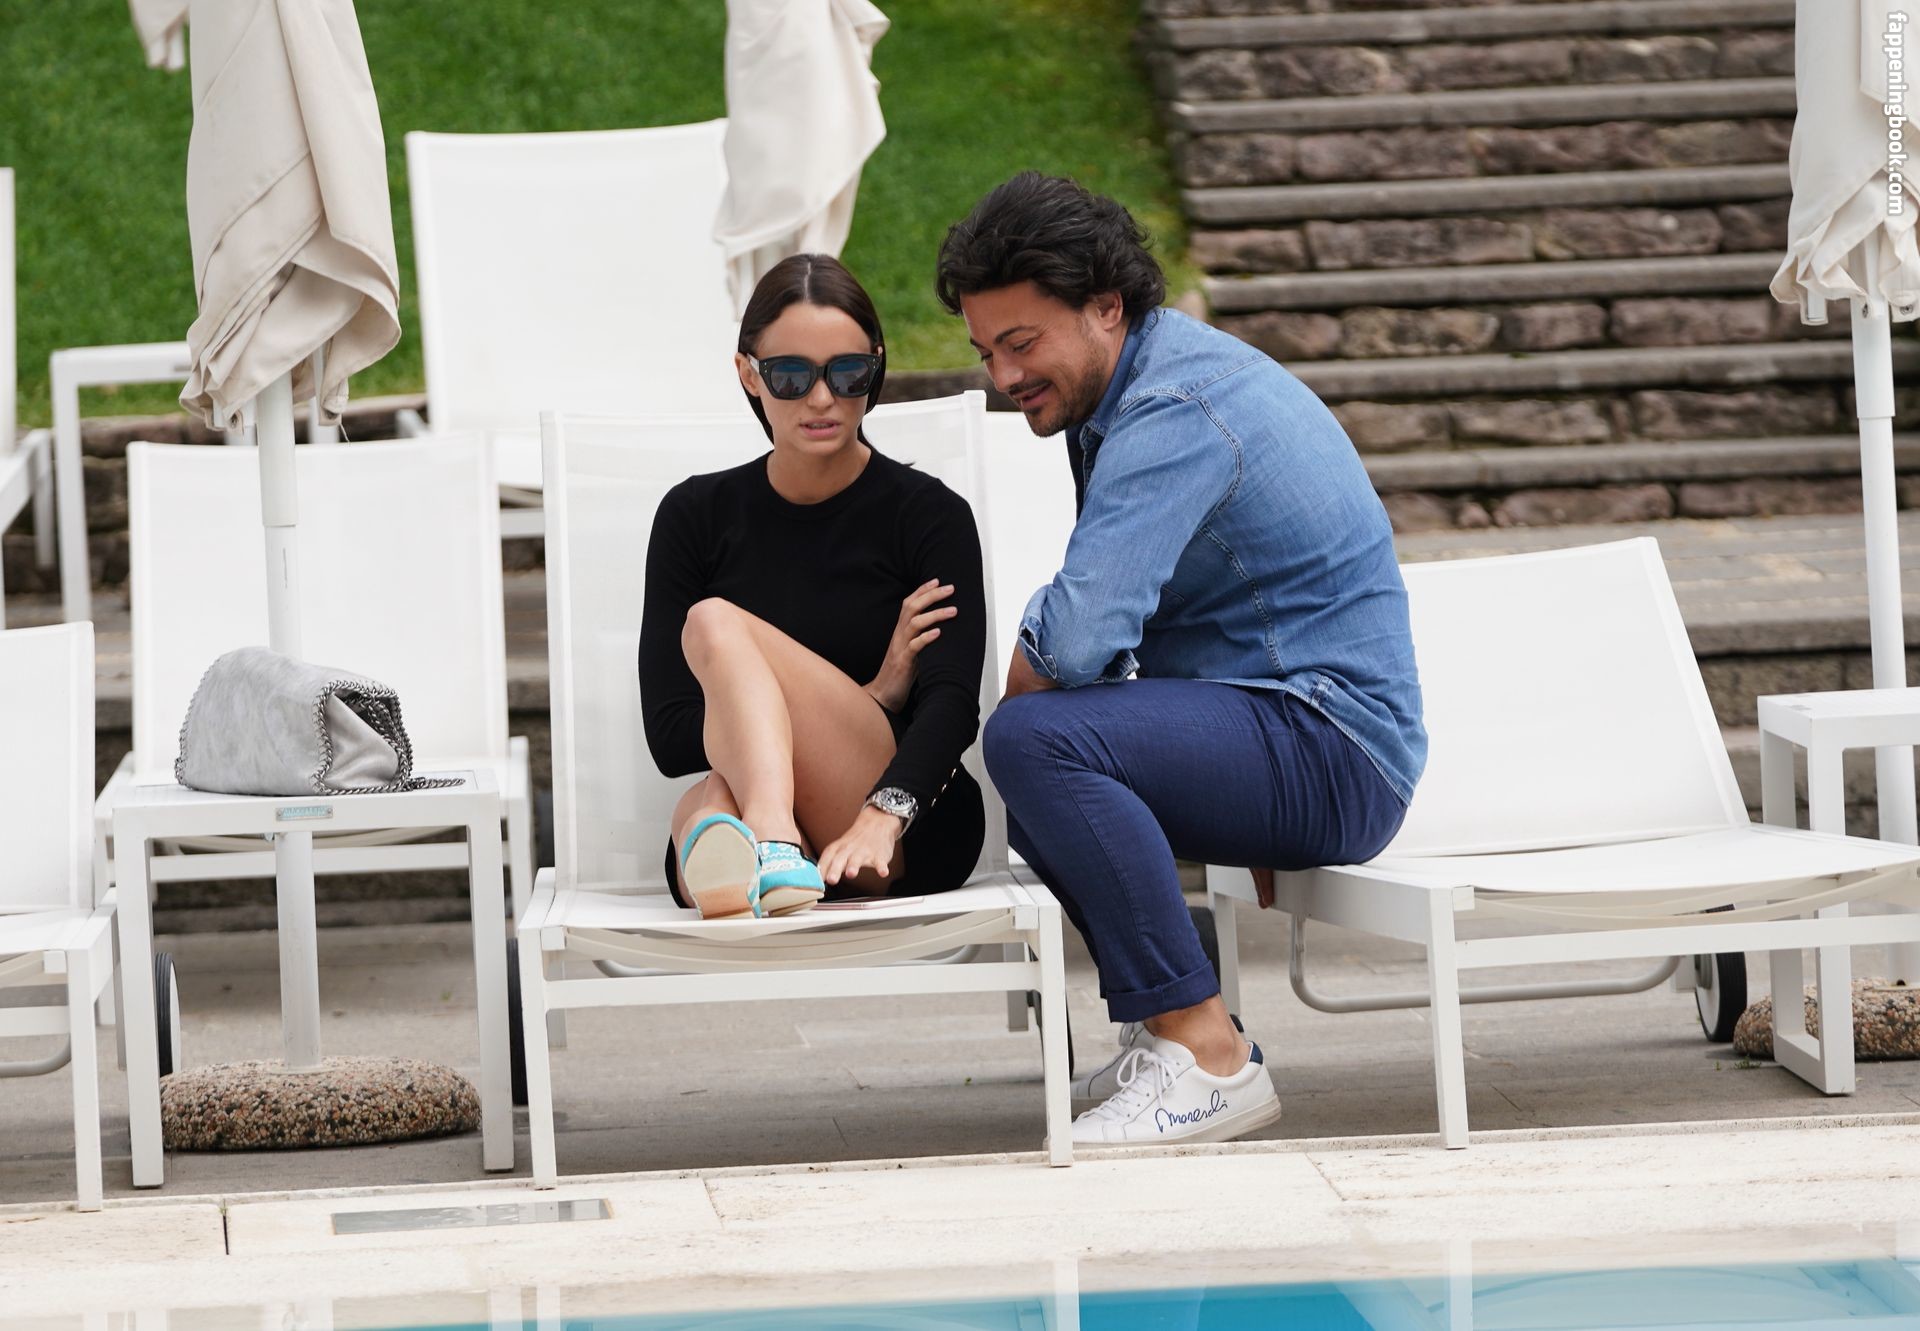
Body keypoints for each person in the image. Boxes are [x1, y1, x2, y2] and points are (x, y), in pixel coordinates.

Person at [937, 172, 1427, 1147]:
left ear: (1106, 306)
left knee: (1033, 743)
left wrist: (1013, 713)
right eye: (987, 351)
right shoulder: (1128, 386)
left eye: (1022, 342)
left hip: (1330, 743)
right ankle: (1169, 1030)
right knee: (1039, 763)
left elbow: (1081, 636)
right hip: (1285, 724)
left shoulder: (1176, 407)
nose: (1003, 374)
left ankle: (1207, 1055)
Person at [638, 254, 988, 920]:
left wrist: (884, 813)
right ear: (749, 374)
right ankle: (761, 846)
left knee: (714, 626)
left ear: (876, 367)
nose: (822, 399)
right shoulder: (694, 517)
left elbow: (951, 707)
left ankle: (765, 838)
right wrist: (871, 693)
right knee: (709, 803)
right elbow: (669, 736)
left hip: (900, 830)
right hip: (780, 812)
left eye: (847, 373)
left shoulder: (929, 516)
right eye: (791, 376)